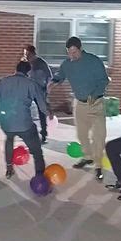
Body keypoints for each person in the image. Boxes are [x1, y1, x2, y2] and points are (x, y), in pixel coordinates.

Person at [48, 36, 109, 181]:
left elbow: (104, 80)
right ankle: (87, 157)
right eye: (69, 52)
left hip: (96, 103)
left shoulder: (93, 61)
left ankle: (98, 165)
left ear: (80, 49)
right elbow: (60, 74)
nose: (72, 55)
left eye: (74, 52)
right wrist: (53, 82)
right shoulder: (67, 63)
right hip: (80, 104)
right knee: (82, 135)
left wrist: (95, 95)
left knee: (98, 136)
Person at [0, 61, 47, 179]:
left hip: (6, 122)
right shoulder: (31, 83)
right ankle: (40, 176)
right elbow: (42, 104)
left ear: (16, 69)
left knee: (9, 139)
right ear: (28, 72)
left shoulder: (3, 82)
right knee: (37, 151)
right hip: (24, 124)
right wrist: (48, 113)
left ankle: (9, 168)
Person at [25, 45, 52, 143]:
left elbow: (49, 77)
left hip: (40, 91)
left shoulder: (41, 63)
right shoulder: (26, 63)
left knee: (42, 112)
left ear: (32, 53)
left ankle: (43, 133)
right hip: (29, 91)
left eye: (27, 53)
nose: (26, 55)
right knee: (24, 110)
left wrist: (47, 90)